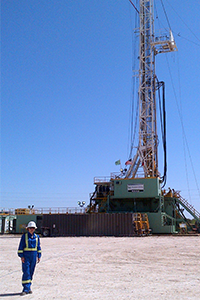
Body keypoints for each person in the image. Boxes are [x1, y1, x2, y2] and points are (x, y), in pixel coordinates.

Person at [17, 221, 42, 296]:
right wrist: (21, 256)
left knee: (31, 272)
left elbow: (38, 247)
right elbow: (21, 246)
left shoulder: (37, 237)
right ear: (28, 229)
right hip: (26, 256)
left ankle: (29, 288)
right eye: (30, 228)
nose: (32, 229)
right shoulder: (24, 236)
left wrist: (39, 256)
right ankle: (25, 289)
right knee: (26, 272)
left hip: (34, 256)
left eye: (33, 228)